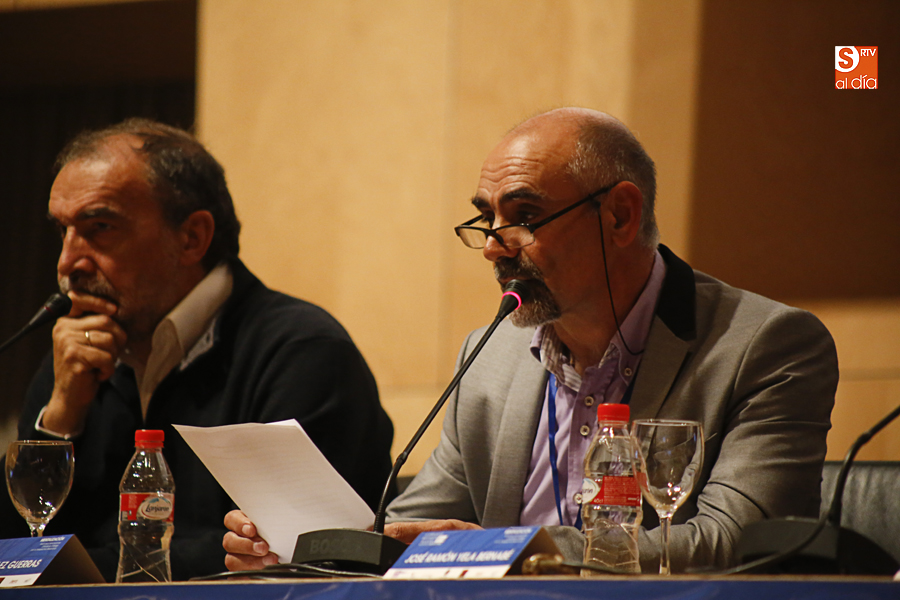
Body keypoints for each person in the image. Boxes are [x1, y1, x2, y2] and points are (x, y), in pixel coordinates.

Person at [223, 108, 838, 573]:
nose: (493, 246)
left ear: (620, 216)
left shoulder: (766, 347)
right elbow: (413, 530)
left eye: (523, 216)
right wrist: (305, 548)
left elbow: (738, 545)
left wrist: (518, 549)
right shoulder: (489, 357)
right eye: (485, 218)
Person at [0, 119, 395, 581]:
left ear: (192, 238)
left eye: (100, 227)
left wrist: (78, 571)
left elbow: (291, 553)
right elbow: (14, 550)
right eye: (63, 231)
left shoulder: (301, 352)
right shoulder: (72, 358)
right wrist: (61, 420)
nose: (68, 262)